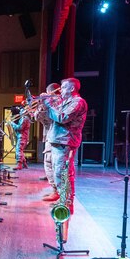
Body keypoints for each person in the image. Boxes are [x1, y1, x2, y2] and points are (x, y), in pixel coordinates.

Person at [43, 78, 87, 215]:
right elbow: (52, 117)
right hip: (58, 141)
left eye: (63, 87)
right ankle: (63, 201)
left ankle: (67, 204)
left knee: (64, 174)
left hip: (66, 142)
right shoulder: (65, 102)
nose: (60, 90)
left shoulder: (78, 102)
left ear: (72, 89)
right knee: (58, 173)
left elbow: (62, 117)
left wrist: (49, 103)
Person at [30, 83, 61, 197]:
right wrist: (40, 106)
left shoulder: (58, 102)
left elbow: (54, 117)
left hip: (57, 137)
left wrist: (45, 103)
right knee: (50, 163)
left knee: (53, 163)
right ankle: (55, 190)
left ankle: (57, 191)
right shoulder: (49, 103)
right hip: (50, 135)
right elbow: (39, 118)